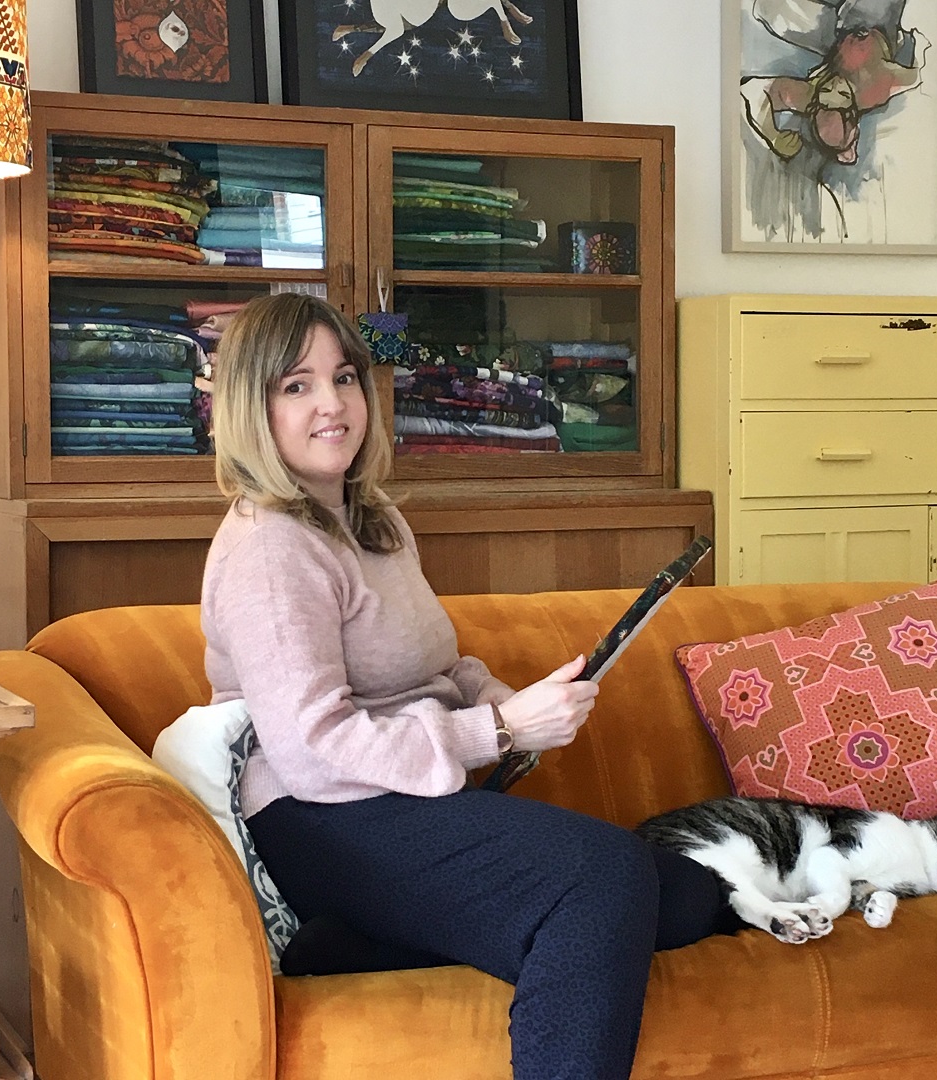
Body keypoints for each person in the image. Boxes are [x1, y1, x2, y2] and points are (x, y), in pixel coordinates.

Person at [201, 293, 738, 1080]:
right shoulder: (268, 547)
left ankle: (357, 947)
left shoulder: (370, 517)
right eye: (297, 386)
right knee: (601, 876)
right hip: (321, 818)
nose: (333, 404)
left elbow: (433, 666)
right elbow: (312, 750)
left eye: (344, 378)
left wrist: (501, 699)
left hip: (408, 800)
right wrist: (500, 733)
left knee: (691, 895)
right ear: (252, 407)